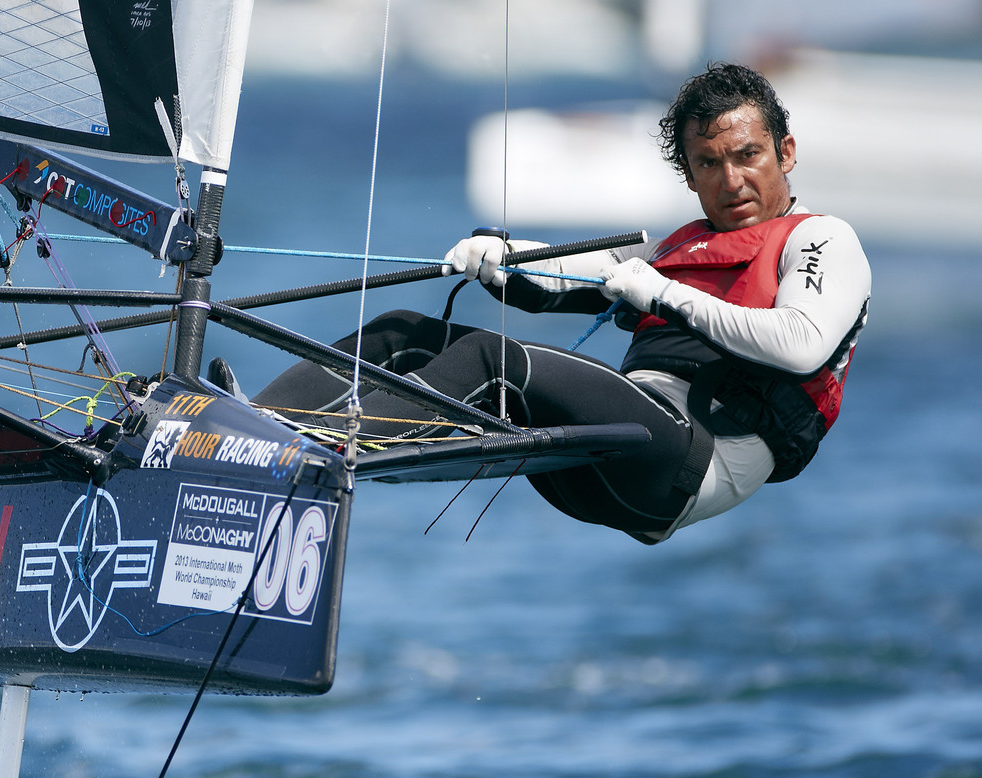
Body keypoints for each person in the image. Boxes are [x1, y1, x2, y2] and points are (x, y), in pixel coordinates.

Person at [247, 62, 871, 543]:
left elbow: (799, 344)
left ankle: (311, 451)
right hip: (607, 449)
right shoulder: (686, 248)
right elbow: (583, 276)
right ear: (687, 173)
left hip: (688, 460)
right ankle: (243, 433)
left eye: (748, 155)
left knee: (494, 361)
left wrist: (664, 293)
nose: (731, 179)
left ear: (785, 152)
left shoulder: (822, 239)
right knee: (401, 332)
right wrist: (504, 258)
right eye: (708, 163)